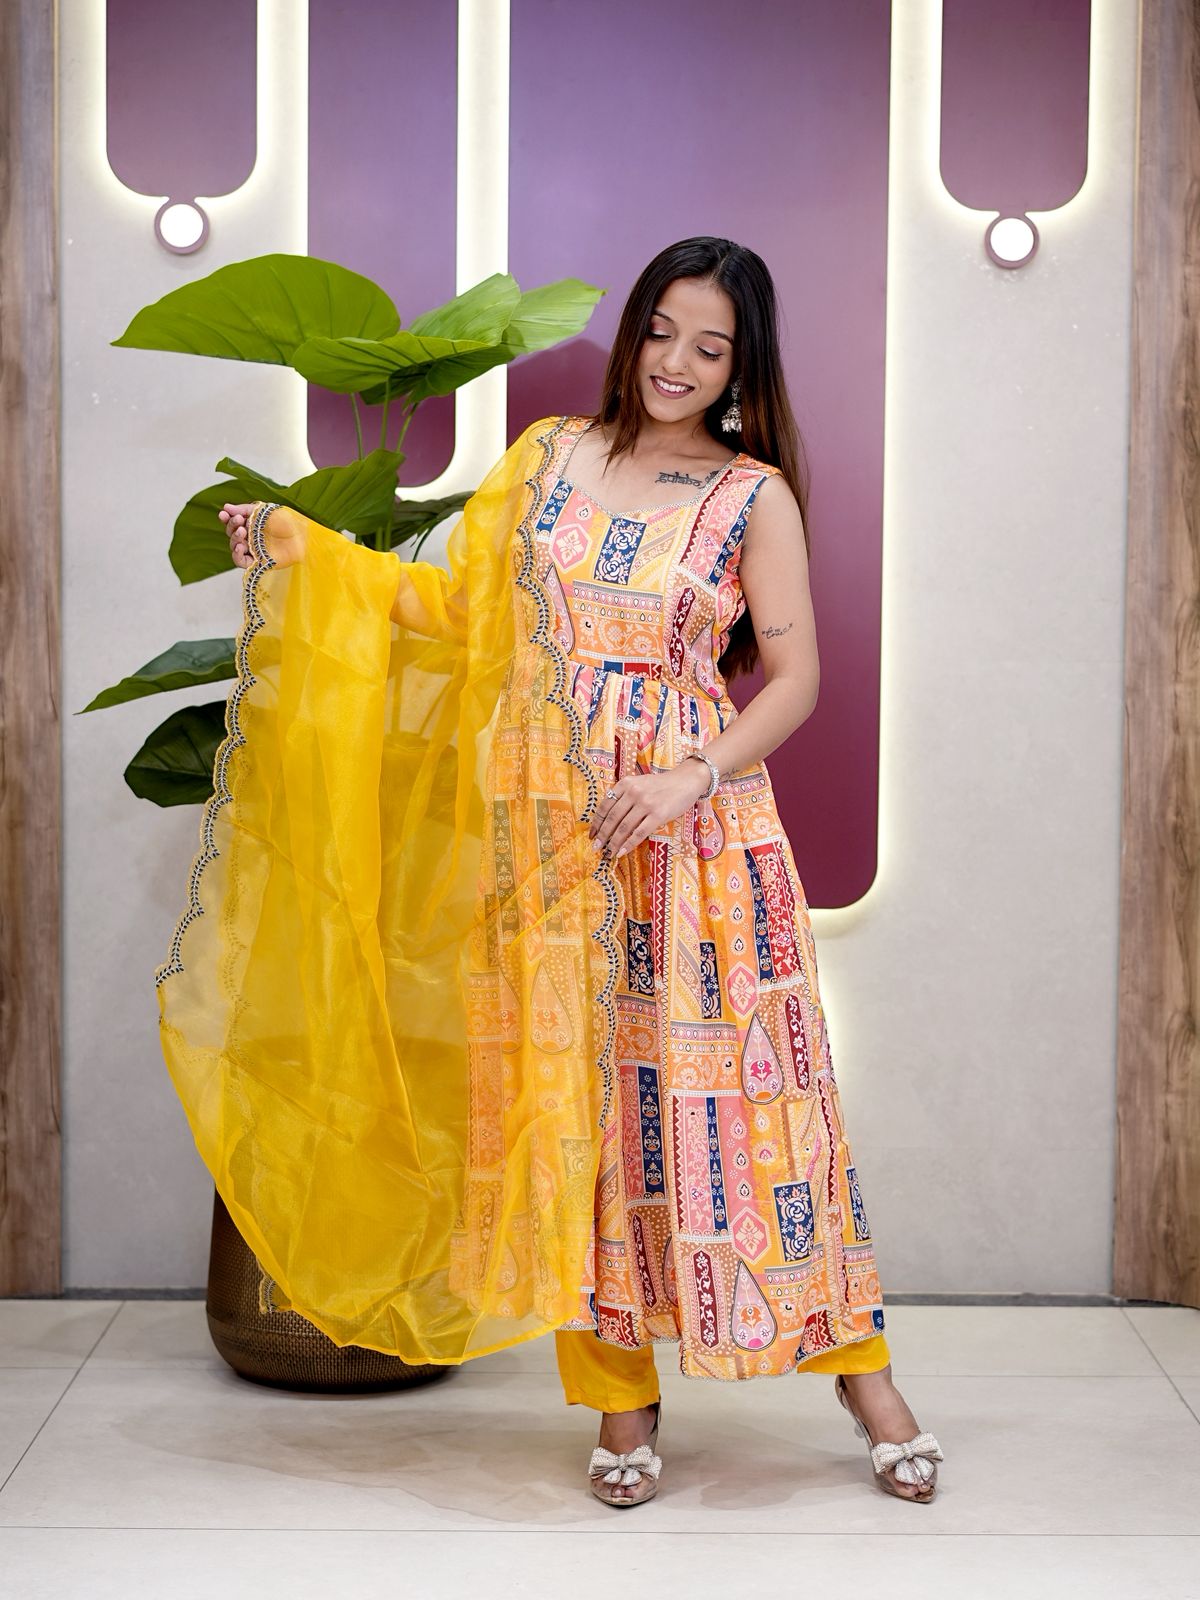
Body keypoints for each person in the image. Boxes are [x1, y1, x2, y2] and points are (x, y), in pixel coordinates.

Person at [163, 236, 942, 1510]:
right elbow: (460, 615)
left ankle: (866, 1381)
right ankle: (620, 1402)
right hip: (547, 836)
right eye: (664, 331)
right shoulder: (546, 459)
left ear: (741, 369)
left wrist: (689, 774)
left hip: (696, 843)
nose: (678, 363)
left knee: (756, 1116)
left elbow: (796, 679)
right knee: (573, 1121)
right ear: (634, 329)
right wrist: (310, 551)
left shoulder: (751, 496)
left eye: (712, 348)